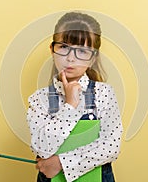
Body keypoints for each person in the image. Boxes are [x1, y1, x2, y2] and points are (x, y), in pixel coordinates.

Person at [26, 11, 123, 182]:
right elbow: (41, 147)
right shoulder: (39, 99)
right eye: (64, 47)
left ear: (93, 58)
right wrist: (69, 106)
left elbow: (110, 146)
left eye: (82, 51)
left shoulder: (104, 93)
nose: (71, 58)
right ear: (52, 49)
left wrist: (62, 163)